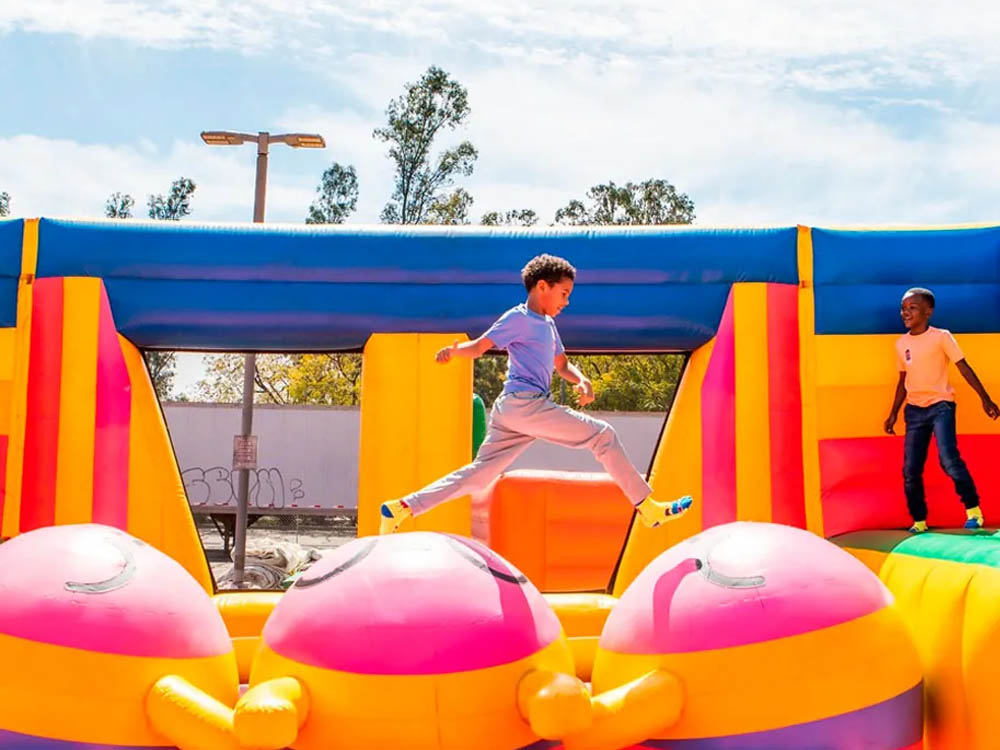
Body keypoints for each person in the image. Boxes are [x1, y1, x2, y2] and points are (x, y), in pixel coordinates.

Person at [379, 253, 693, 534]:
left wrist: (582, 380)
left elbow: (562, 365)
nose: (566, 302)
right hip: (524, 405)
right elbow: (480, 346)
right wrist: (455, 351)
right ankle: (647, 507)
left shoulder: (548, 325)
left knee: (479, 476)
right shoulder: (518, 318)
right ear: (542, 286)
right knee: (603, 436)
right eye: (564, 293)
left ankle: (402, 507)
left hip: (514, 412)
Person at [884, 287, 998, 533]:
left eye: (913, 308)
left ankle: (973, 511)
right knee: (910, 469)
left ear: (928, 312)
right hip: (914, 411)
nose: (906, 312)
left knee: (949, 459)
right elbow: (903, 380)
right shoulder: (901, 343)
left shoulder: (941, 337)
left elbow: (963, 367)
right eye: (903, 308)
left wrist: (985, 399)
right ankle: (919, 521)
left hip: (940, 406)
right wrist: (893, 413)